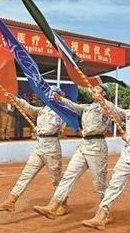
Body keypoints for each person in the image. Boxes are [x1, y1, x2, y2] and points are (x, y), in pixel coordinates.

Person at [82, 84, 130, 233]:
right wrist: (102, 100)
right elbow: (115, 111)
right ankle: (101, 215)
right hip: (126, 155)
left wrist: (129, 138)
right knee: (114, 185)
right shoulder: (129, 113)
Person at [34, 84, 112, 219]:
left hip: (97, 147)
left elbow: (102, 121)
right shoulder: (87, 108)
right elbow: (74, 106)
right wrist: (60, 99)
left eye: (97, 89)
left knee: (100, 184)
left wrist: (86, 131)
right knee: (68, 175)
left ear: (103, 93)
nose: (93, 90)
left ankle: (105, 212)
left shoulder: (107, 107)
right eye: (93, 89)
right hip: (83, 146)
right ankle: (53, 206)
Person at [0, 89, 66, 212]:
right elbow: (29, 108)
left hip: (51, 148)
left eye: (52, 95)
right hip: (40, 147)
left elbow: (53, 127)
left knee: (56, 179)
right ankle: (11, 200)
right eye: (48, 94)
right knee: (26, 174)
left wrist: (40, 130)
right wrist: (16, 99)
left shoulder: (60, 112)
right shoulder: (42, 110)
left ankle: (63, 204)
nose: (49, 96)